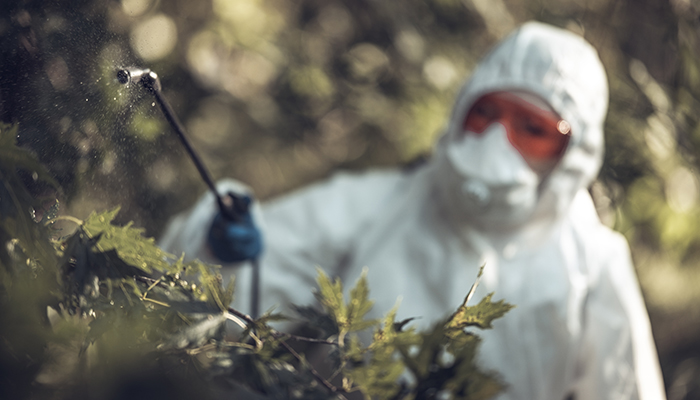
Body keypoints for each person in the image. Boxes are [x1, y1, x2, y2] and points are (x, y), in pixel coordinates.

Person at [160, 21, 666, 400]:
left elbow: (626, 388)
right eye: (484, 115)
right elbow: (234, 297)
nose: (496, 142)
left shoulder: (593, 263)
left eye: (530, 128)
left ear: (571, 153)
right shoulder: (378, 205)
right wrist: (216, 245)